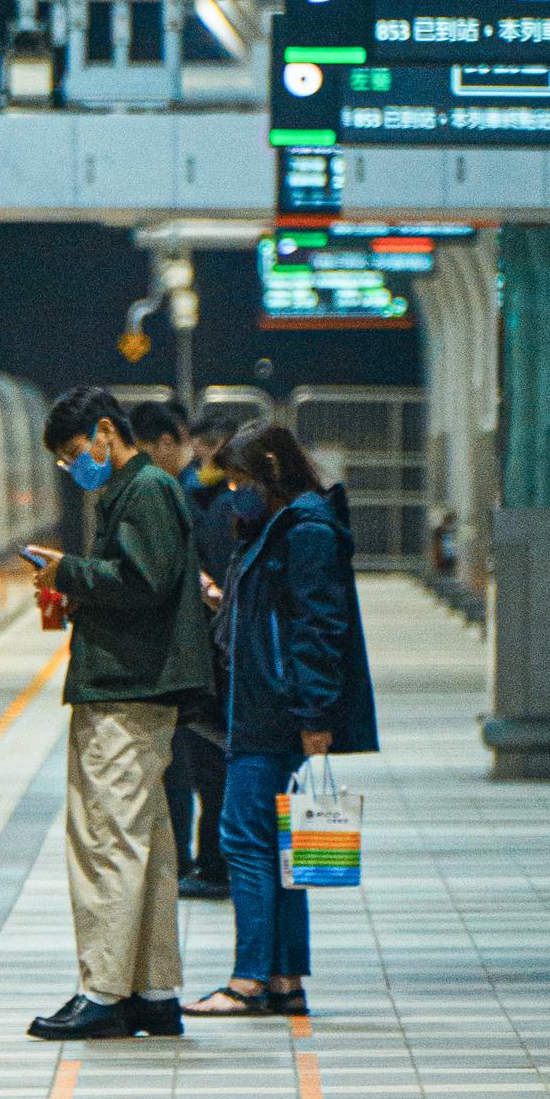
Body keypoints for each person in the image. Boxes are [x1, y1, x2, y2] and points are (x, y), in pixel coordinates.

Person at [20, 382, 211, 1042]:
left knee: (108, 839)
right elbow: (141, 582)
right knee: (149, 844)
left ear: (106, 431)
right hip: (134, 686)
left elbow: (143, 581)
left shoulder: (145, 490)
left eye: (77, 452)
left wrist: (68, 572)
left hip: (126, 693)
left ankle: (103, 992)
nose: (75, 468)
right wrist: (75, 586)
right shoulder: (135, 492)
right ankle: (153, 992)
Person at [195, 418, 376, 1021]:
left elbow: (319, 628)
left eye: (239, 479)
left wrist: (315, 712)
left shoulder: (307, 530)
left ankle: (248, 979)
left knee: (243, 839)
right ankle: (283, 979)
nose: (230, 492)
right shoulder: (279, 525)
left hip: (276, 713)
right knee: (279, 848)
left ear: (268, 474)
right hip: (264, 707)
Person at [136, 400, 231, 893]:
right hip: (202, 654)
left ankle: (207, 861)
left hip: (202, 655)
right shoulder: (190, 496)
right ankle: (202, 859)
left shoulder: (195, 500)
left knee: (200, 762)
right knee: (197, 762)